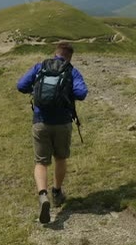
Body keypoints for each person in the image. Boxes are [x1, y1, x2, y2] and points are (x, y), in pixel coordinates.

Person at [16, 42, 88, 224]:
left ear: (55, 53)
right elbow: (82, 93)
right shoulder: (71, 70)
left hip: (40, 121)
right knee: (60, 158)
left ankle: (43, 195)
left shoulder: (40, 67)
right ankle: (56, 192)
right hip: (62, 122)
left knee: (41, 162)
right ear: (70, 56)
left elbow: (21, 85)